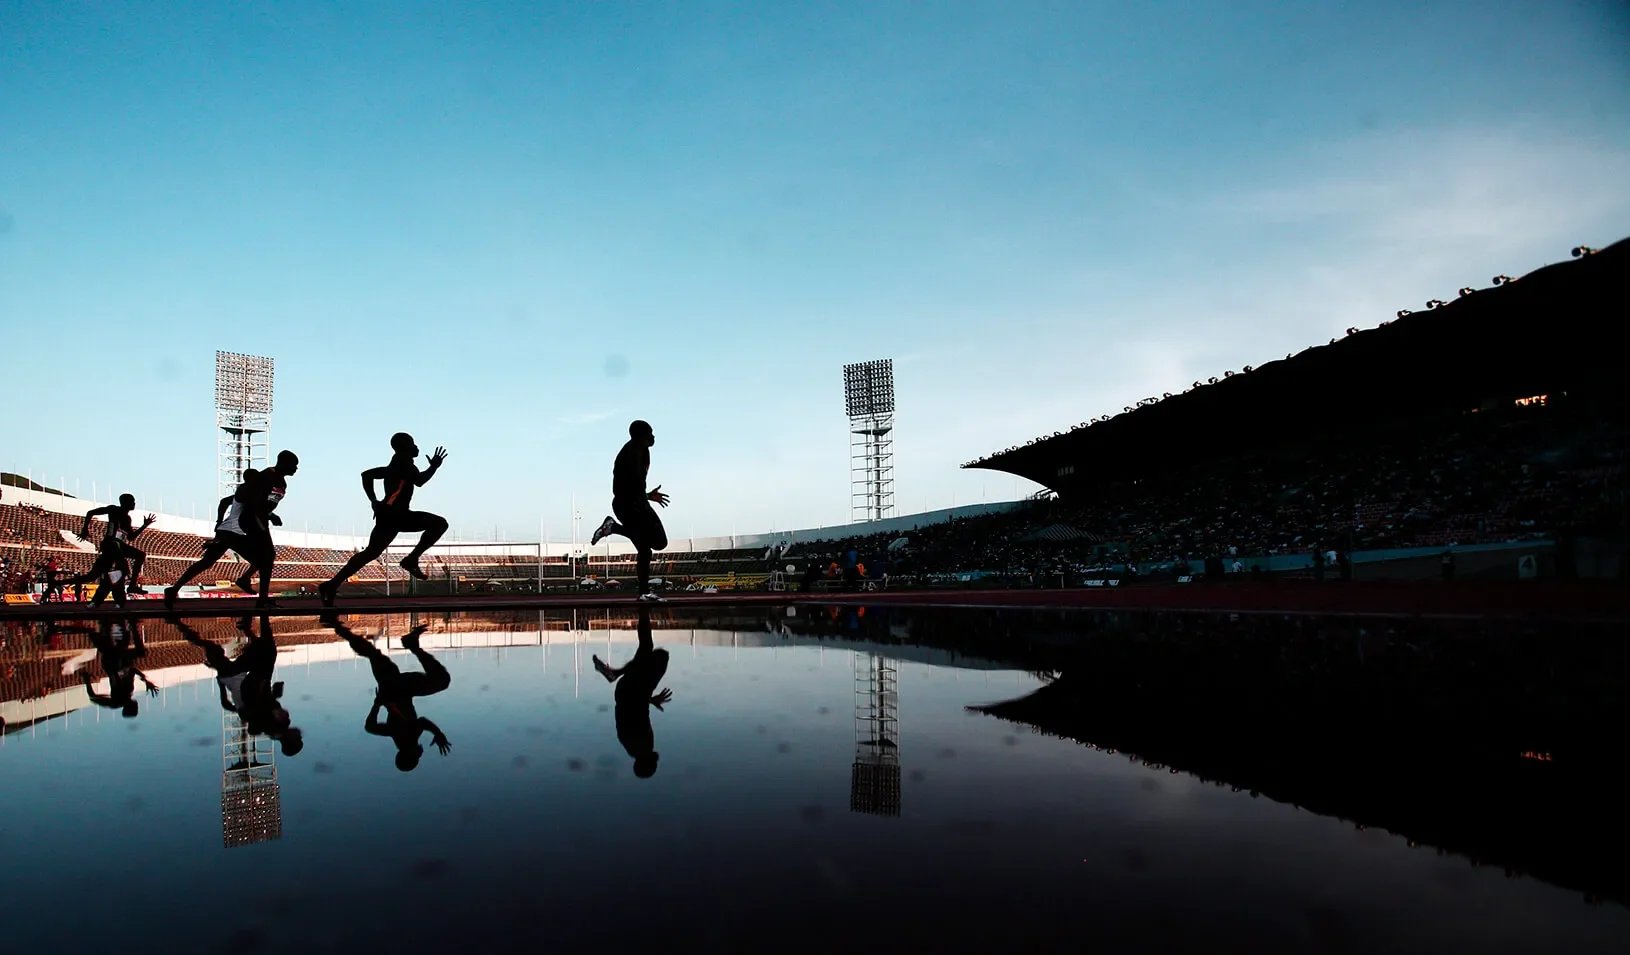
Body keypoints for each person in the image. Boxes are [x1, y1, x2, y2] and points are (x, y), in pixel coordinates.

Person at [319, 434, 448, 606]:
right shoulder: (405, 464)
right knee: (440, 524)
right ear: (405, 448)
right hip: (396, 514)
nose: (416, 447)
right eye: (413, 444)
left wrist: (374, 501)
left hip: (389, 514)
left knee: (371, 553)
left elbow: (367, 475)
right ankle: (411, 559)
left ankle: (331, 584)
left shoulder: (396, 464)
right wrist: (434, 466)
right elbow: (420, 481)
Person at [165, 452, 299, 608]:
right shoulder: (263, 478)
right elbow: (249, 501)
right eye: (294, 464)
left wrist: (268, 514)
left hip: (233, 529)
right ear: (283, 463)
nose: (296, 468)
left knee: (208, 562)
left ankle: (173, 589)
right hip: (240, 528)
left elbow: (246, 502)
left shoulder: (279, 481)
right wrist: (221, 523)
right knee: (267, 557)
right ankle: (260, 596)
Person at [323, 615, 451, 771]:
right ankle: (341, 630)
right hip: (392, 688)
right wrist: (378, 704)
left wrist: (378, 704)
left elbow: (373, 727)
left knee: (442, 681)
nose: (420, 755)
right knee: (372, 654)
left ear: (410, 755)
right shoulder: (402, 738)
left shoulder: (406, 740)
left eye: (417, 758)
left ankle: (412, 645)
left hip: (398, 689)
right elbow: (371, 727)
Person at [175, 615, 304, 755]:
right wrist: (274, 694)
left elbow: (257, 708)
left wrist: (223, 686)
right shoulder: (279, 725)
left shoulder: (272, 727)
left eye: (298, 738)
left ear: (290, 741)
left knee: (266, 652)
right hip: (251, 683)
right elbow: (262, 706)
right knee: (266, 651)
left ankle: (260, 618)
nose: (300, 734)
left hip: (250, 685)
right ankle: (253, 625)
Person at [589, 420, 670, 602]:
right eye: (650, 432)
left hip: (633, 502)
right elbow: (626, 485)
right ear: (641, 435)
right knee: (659, 542)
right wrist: (641, 501)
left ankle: (643, 593)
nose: (653, 436)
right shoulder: (631, 452)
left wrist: (647, 496)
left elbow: (631, 485)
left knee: (645, 550)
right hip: (630, 505)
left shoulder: (641, 451)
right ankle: (613, 528)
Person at [592, 607, 672, 778]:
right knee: (650, 650)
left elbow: (632, 713)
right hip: (629, 693)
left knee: (658, 654)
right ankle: (644, 612)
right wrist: (651, 699)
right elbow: (633, 712)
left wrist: (647, 698)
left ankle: (615, 673)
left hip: (632, 692)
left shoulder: (640, 745)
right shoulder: (635, 746)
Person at [59, 494, 155, 602]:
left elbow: (131, 537)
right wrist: (85, 529)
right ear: (125, 502)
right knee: (139, 555)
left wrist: (144, 525)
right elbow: (90, 512)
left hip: (112, 546)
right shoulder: (114, 510)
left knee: (91, 576)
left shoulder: (126, 518)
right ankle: (131, 585)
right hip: (113, 544)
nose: (134, 503)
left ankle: (57, 583)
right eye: (132, 501)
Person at [58, 619, 157, 718]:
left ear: (130, 707)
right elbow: (131, 670)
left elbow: (93, 697)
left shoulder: (117, 701)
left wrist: (87, 679)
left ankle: (126, 626)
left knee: (134, 653)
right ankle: (129, 626)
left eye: (136, 707)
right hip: (116, 659)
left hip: (111, 660)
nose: (137, 705)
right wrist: (145, 680)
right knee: (138, 653)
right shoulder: (128, 692)